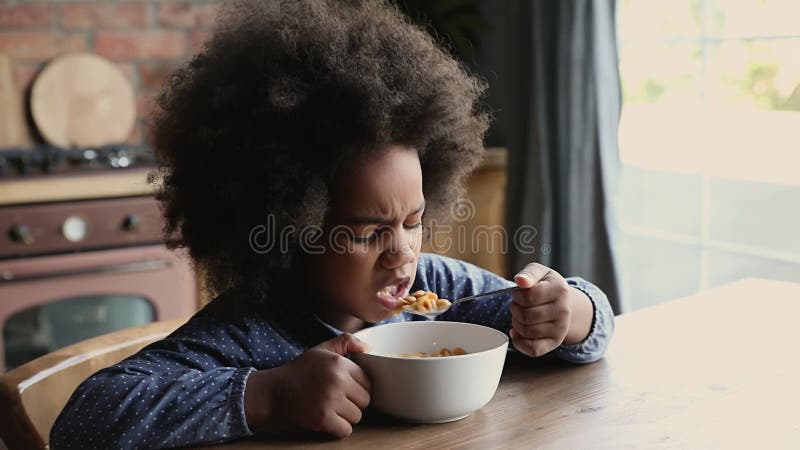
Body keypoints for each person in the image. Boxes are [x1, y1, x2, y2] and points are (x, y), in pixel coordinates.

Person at [50, 0, 614, 448]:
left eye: (413, 222)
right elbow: (81, 422)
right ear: (291, 226)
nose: (402, 254)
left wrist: (570, 313)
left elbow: (585, 326)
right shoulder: (250, 332)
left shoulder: (438, 294)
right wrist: (267, 396)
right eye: (368, 233)